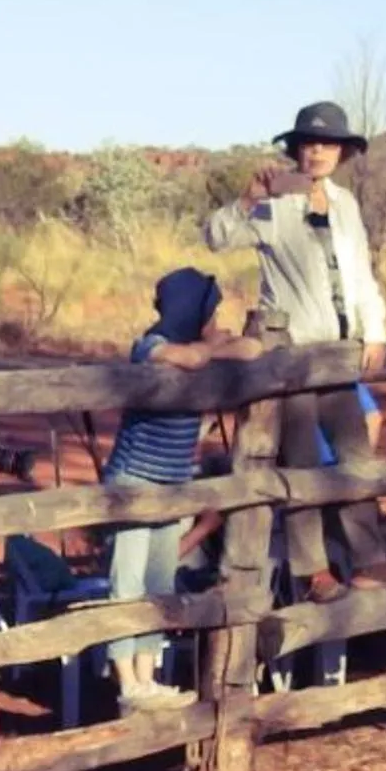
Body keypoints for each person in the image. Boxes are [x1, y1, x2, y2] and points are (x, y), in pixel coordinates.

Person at [205, 100, 386, 604]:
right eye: (310, 143)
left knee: (355, 457)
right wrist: (247, 199)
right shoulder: (274, 203)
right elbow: (216, 237)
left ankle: (369, 559)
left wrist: (375, 330)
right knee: (301, 463)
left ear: (342, 152)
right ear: (297, 150)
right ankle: (312, 571)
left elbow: (360, 273)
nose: (318, 152)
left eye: (328, 144)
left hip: (338, 354)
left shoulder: (346, 204)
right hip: (295, 356)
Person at [102, 271, 262, 706]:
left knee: (159, 582)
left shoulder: (200, 348)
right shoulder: (149, 344)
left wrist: (217, 347)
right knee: (127, 582)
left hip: (172, 486)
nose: (215, 322)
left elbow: (253, 349)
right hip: (134, 481)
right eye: (210, 313)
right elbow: (185, 359)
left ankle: (146, 677)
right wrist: (213, 348)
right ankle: (127, 683)